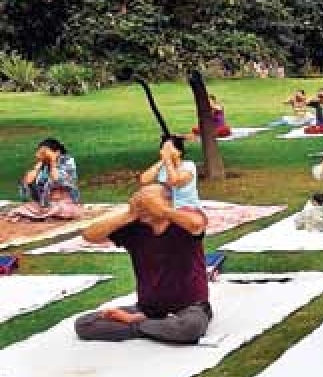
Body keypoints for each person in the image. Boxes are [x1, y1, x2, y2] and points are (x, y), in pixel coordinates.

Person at [75, 184, 212, 344]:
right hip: (148, 309)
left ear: (167, 202)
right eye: (140, 202)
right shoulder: (135, 228)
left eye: (148, 202)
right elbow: (89, 235)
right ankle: (155, 327)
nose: (144, 207)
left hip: (190, 307)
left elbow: (197, 225)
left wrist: (163, 211)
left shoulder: (184, 221)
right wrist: (129, 214)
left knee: (190, 328)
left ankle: (138, 325)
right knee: (85, 324)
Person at [8, 138, 82, 221]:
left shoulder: (68, 161)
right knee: (23, 208)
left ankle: (44, 215)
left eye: (45, 151)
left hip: (66, 203)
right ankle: (47, 215)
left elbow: (57, 180)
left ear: (57, 152)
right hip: (45, 204)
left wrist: (53, 161)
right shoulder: (43, 165)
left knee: (60, 209)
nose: (43, 154)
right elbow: (27, 182)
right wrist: (39, 163)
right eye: (41, 152)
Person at [139, 135, 200, 210]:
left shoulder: (189, 166)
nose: (167, 152)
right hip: (165, 207)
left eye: (169, 150)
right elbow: (143, 180)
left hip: (186, 208)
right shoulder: (162, 167)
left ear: (179, 152)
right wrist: (162, 160)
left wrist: (167, 159)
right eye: (164, 150)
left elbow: (175, 181)